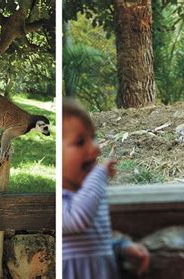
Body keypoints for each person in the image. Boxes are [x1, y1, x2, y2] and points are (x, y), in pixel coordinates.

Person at [62, 99, 150, 279]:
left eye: (93, 138)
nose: (95, 150)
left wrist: (122, 248)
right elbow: (78, 219)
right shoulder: (59, 202)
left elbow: (96, 243)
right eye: (80, 142)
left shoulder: (90, 195)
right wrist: (98, 175)